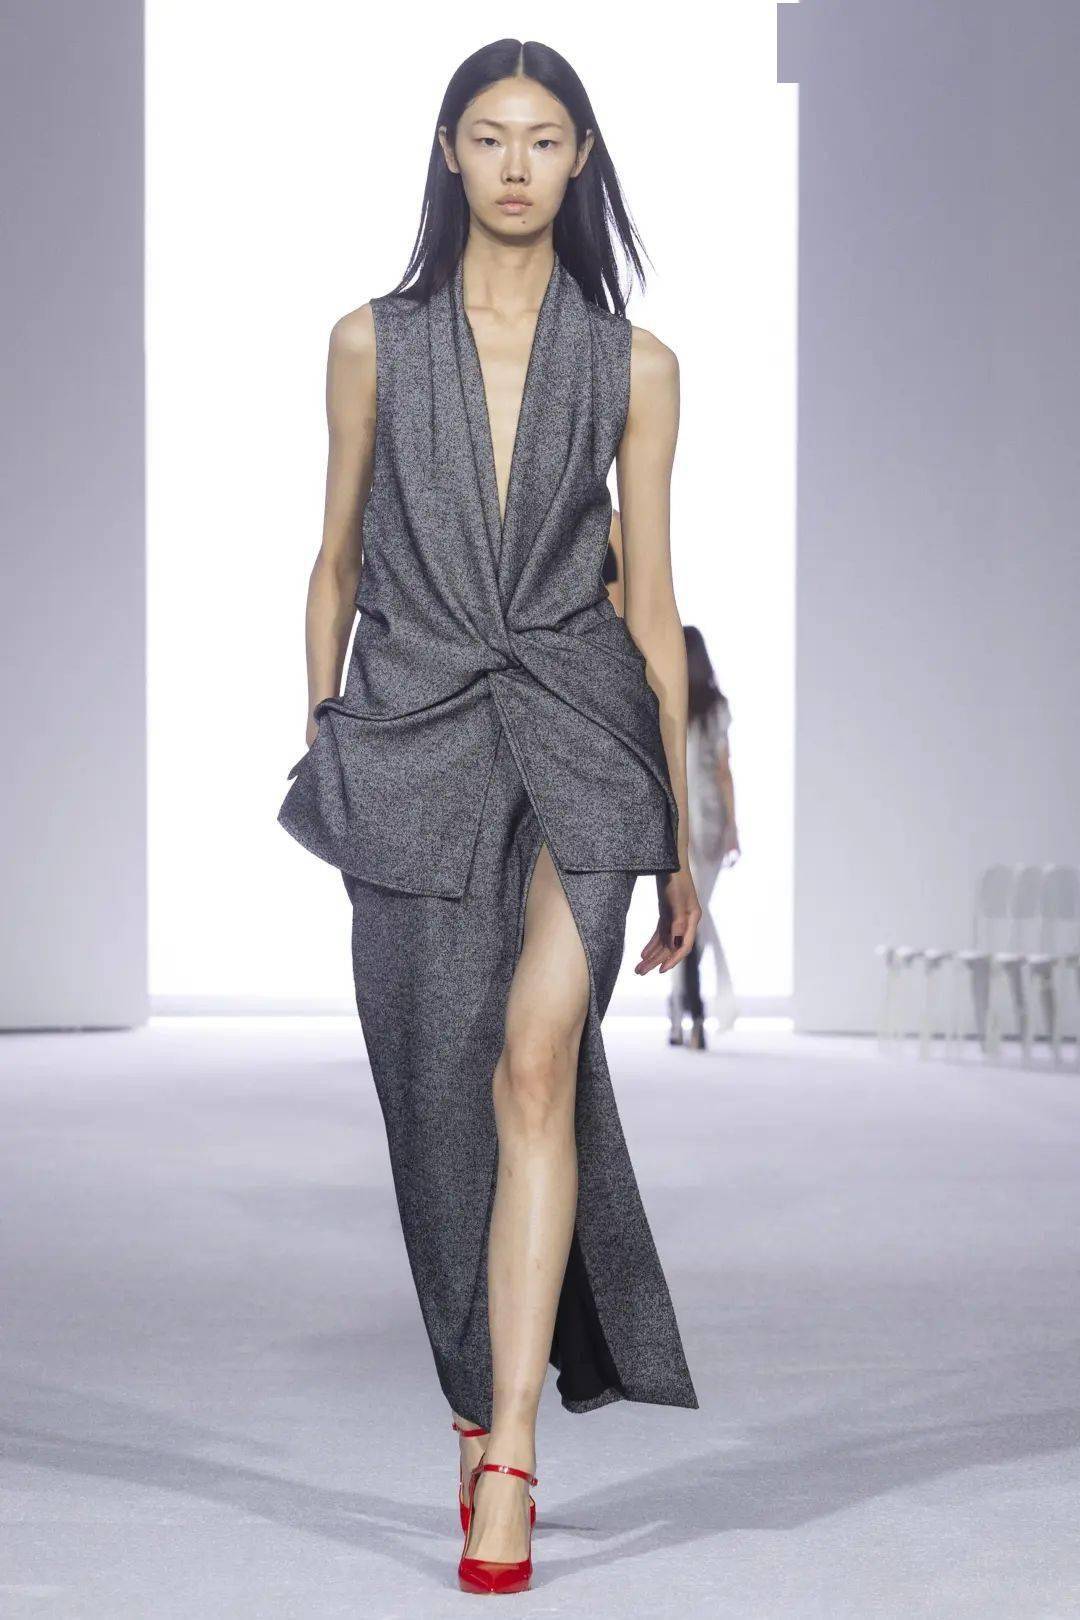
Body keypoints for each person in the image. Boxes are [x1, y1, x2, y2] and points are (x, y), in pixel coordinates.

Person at [277, 38, 701, 1596]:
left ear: (582, 159)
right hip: (416, 729)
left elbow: (652, 605)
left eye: (544, 139)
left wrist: (683, 836)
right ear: (449, 154)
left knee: (534, 1062)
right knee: (438, 1095)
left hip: (584, 729)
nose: (516, 165)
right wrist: (328, 736)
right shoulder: (371, 344)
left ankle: (511, 1451)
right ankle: (477, 1393)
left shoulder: (636, 363)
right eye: (487, 136)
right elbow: (334, 557)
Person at [667, 626, 741, 1050]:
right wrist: (732, 828)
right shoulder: (714, 707)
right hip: (707, 824)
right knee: (694, 918)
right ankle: (692, 1015)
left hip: (678, 823)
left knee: (686, 920)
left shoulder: (667, 700)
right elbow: (722, 771)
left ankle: (682, 1013)